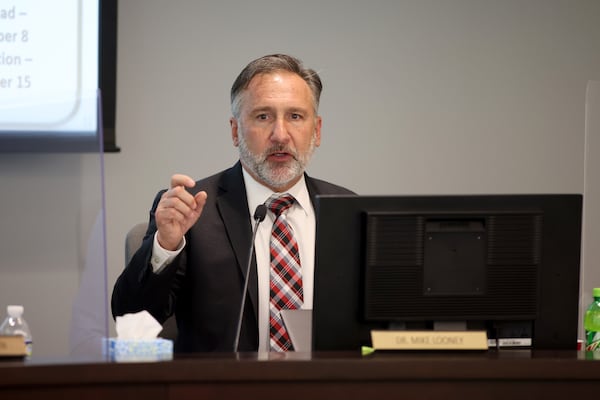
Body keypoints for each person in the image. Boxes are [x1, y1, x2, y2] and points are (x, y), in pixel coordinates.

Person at [111, 54, 354, 353]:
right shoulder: (193, 211)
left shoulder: (347, 211)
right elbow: (133, 317)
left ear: (316, 131)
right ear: (236, 130)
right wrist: (166, 245)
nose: (280, 135)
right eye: (263, 116)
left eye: (295, 116)